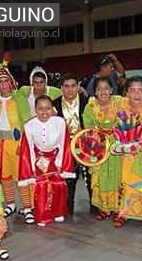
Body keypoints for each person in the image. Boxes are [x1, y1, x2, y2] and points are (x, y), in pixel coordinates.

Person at [0, 54, 34, 224]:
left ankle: (28, 207)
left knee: (22, 176)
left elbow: (27, 122)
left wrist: (24, 143)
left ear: (11, 82)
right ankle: (10, 204)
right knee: (4, 176)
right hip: (0, 143)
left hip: (17, 142)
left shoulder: (19, 99)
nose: (3, 85)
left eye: (5, 81)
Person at [18, 95, 75, 226]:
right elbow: (29, 148)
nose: (44, 112)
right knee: (42, 186)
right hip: (39, 160)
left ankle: (58, 212)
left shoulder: (60, 122)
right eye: (40, 109)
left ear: (52, 109)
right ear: (35, 109)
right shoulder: (29, 126)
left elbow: (63, 144)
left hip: (55, 158)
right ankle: (43, 215)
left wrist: (60, 163)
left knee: (59, 185)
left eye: (48, 108)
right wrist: (32, 168)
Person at [115, 76, 142, 228]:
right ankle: (123, 213)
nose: (136, 94)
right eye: (132, 90)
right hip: (125, 154)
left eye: (140, 90)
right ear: (126, 92)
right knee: (126, 184)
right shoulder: (120, 107)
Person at [82, 77, 123, 224]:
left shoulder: (120, 102)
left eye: (106, 88)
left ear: (111, 90)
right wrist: (96, 140)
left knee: (117, 175)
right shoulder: (90, 107)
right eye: (99, 89)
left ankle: (119, 209)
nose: (103, 91)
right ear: (95, 91)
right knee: (100, 176)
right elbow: (88, 127)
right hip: (98, 145)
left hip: (117, 143)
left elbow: (127, 120)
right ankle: (104, 208)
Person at [53, 73, 92, 215]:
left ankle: (96, 207)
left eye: (73, 86)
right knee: (69, 180)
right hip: (66, 149)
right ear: (61, 88)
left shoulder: (87, 101)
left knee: (91, 178)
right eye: (66, 86)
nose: (70, 90)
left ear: (78, 87)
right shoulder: (55, 104)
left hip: (86, 146)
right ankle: (67, 209)